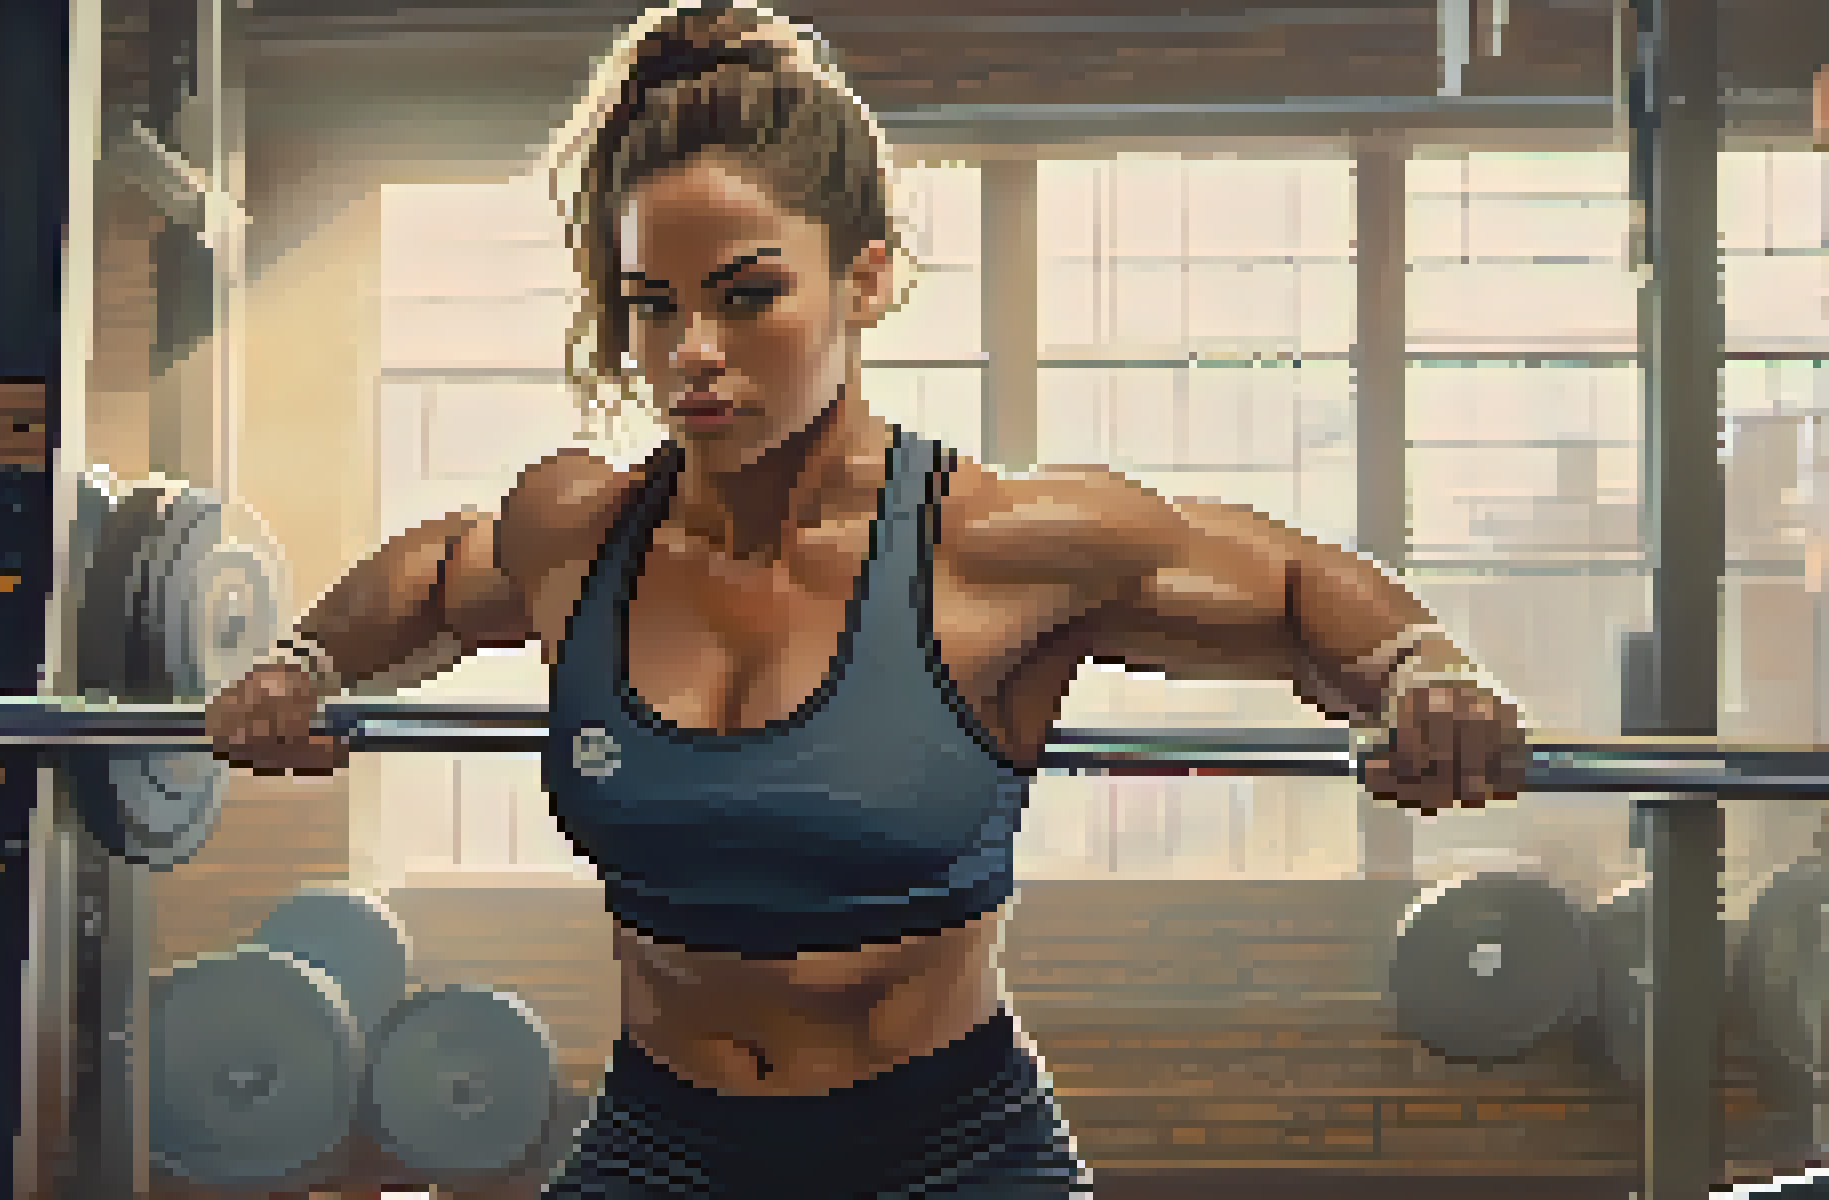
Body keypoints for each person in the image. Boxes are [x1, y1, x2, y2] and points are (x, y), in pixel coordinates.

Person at [207, 2, 1532, 1195]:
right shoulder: (580, 535)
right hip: (664, 1142)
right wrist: (302, 666)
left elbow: (1297, 587)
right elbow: (432, 579)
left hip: (947, 1155)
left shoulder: (994, 551)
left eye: (747, 296)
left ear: (868, 277)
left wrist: (1423, 676)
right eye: (651, 309)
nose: (694, 357)